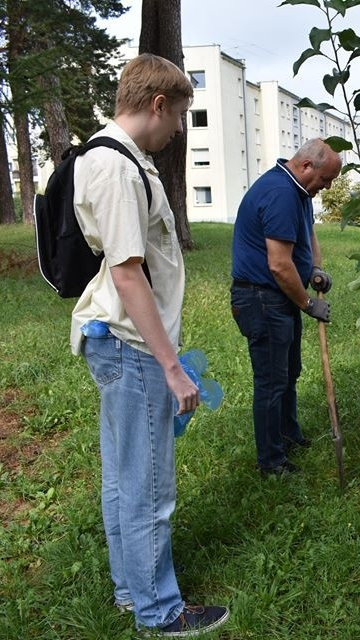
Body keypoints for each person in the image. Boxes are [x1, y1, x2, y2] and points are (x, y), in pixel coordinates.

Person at [72, 54, 228, 635]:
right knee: (149, 488)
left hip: (120, 341)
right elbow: (128, 272)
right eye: (180, 114)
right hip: (132, 346)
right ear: (157, 104)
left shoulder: (121, 159)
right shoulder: (114, 167)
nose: (180, 130)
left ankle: (131, 593)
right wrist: (172, 367)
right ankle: (161, 611)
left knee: (123, 480)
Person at [230, 138, 341, 476]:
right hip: (262, 299)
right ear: (307, 166)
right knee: (271, 381)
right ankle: (271, 461)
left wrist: (315, 270)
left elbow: (308, 236)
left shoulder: (300, 192)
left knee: (289, 373)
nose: (326, 187)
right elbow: (279, 264)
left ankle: (287, 433)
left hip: (280, 297)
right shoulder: (280, 193)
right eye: (325, 180)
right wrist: (308, 304)